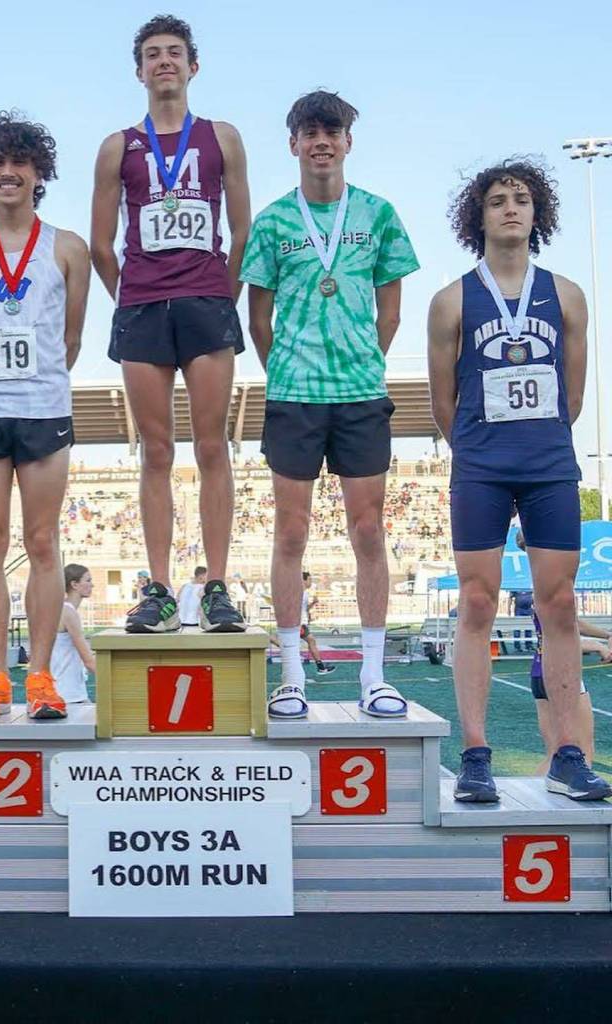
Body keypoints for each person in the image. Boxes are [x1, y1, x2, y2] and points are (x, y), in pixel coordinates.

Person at [427, 158, 610, 801]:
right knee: (478, 601)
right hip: (481, 464)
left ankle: (566, 754)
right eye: (498, 200)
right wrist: (480, 448)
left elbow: (573, 396)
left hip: (548, 463)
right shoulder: (451, 300)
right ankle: (475, 753)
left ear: (538, 214)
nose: (511, 208)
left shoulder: (568, 295)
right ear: (478, 217)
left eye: (522, 199)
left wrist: (534, 441)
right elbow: (442, 401)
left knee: (559, 603)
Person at [241, 90, 419, 719]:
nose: (321, 142)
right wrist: (288, 368)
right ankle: (292, 674)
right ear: (293, 143)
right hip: (294, 395)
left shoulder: (379, 213)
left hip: (361, 394)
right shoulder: (272, 223)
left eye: (332, 131)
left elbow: (391, 311)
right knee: (290, 532)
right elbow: (257, 318)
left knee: (368, 530)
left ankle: (374, 675)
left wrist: (361, 360)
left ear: (348, 141)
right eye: (310, 132)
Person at [91, 14, 249, 634]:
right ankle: (157, 588)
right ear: (139, 71)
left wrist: (221, 293)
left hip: (206, 300)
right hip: (143, 307)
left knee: (212, 446)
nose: (164, 61)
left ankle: (216, 586)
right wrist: (131, 296)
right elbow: (102, 243)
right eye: (153, 54)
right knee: (155, 451)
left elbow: (242, 229)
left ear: (192, 66)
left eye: (174, 52)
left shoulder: (221, 137)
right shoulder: (117, 147)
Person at [0, 113, 90, 721]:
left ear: (38, 173)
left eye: (20, 162)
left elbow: (71, 339)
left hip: (42, 409)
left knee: (42, 541)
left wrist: (35, 378)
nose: (8, 172)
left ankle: (42, 677)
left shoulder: (67, 247)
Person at [509, 532, 608, 773]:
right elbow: (561, 641)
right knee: (583, 751)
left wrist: (605, 635)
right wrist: (599, 646)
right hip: (560, 671)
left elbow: (573, 624)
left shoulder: (538, 584)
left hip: (539, 671)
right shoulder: (555, 584)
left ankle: (531, 796)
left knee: (555, 753)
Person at [52, 564, 96, 705]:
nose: (92, 585)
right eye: (88, 580)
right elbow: (89, 661)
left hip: (64, 691)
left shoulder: (62, 609)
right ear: (74, 584)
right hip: (68, 693)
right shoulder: (69, 613)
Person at [300, 572, 336, 676]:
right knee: (310, 641)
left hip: (301, 623)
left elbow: (304, 609)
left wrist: (313, 603)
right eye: (309, 579)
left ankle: (321, 667)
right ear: (303, 580)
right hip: (299, 623)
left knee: (311, 641)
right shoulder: (299, 593)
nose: (311, 582)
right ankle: (321, 667)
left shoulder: (305, 593)